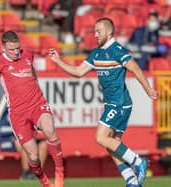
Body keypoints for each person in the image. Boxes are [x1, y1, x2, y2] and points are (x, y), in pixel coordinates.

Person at [48, 18, 158, 187]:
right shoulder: (97, 53)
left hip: (119, 103)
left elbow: (135, 68)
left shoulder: (118, 51)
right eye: (94, 31)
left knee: (101, 137)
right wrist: (58, 61)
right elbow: (78, 72)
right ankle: (131, 180)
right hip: (112, 104)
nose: (95, 35)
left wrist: (148, 89)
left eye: (99, 31)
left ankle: (137, 162)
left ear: (109, 32)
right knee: (112, 145)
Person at [0, 30, 64, 187]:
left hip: (37, 104)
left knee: (50, 131)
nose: (16, 52)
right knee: (33, 157)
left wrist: (36, 86)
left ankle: (60, 172)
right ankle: (45, 183)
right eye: (12, 49)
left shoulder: (27, 55)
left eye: (17, 48)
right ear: (4, 47)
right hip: (18, 113)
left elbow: (32, 72)